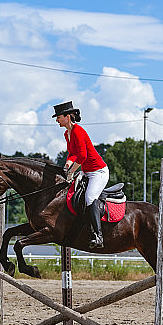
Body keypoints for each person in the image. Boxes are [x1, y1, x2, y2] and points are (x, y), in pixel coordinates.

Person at [52, 101, 109, 249]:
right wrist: (68, 163)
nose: (57, 120)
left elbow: (82, 156)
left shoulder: (78, 131)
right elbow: (73, 154)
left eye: (58, 117)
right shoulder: (67, 133)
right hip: (85, 171)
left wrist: (71, 171)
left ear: (67, 116)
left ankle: (98, 236)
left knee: (90, 197)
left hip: (98, 172)